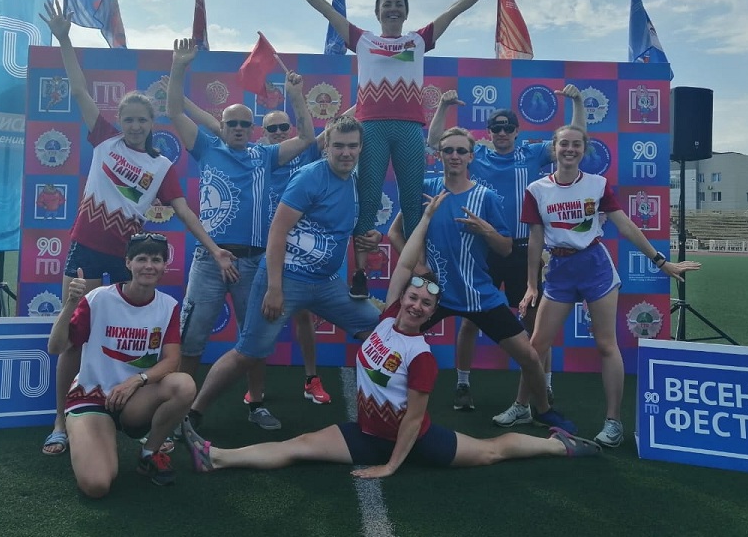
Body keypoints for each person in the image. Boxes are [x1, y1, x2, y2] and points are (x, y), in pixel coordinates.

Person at [180, 193, 600, 477]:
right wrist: (427, 218)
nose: (416, 306)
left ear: (433, 313)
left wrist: (391, 466)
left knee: (492, 451)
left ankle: (558, 445)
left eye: (425, 305)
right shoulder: (385, 319)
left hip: (417, 443)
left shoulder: (421, 356)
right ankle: (215, 456)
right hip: (366, 435)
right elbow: (405, 263)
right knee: (299, 444)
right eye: (412, 298)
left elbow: (414, 421)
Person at [38, 1, 236, 457]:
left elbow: (185, 212)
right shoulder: (103, 138)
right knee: (73, 339)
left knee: (124, 338)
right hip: (86, 251)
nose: (133, 126)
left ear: (152, 124)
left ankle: (123, 407)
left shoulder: (161, 166)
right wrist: (65, 38)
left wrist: (215, 249)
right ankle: (60, 421)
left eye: (141, 120)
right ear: (120, 121)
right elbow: (79, 88)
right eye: (128, 119)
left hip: (125, 258)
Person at [283, 0, 503, 301]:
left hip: (409, 128)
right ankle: (360, 273)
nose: (393, 8)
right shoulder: (363, 40)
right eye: (387, 4)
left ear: (406, 11)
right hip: (371, 126)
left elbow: (452, 12)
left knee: (413, 201)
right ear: (378, 12)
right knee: (368, 199)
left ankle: (419, 271)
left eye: (398, 4)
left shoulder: (418, 40)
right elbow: (328, 11)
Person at [506, 124, 701, 447]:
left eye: (576, 144)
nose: (570, 149)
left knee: (606, 345)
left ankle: (613, 422)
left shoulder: (597, 184)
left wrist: (660, 261)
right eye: (564, 144)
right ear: (554, 148)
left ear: (584, 150)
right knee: (536, 345)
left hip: (595, 266)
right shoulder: (537, 189)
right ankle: (522, 406)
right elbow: (536, 238)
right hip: (559, 270)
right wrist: (531, 285)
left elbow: (625, 225)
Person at [184, 116, 383, 431]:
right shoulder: (310, 176)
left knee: (380, 331)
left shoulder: (356, 181)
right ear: (327, 147)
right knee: (248, 353)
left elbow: (351, 227)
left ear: (360, 148)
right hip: (287, 279)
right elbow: (277, 231)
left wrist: (372, 237)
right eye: (339, 146)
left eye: (352, 146)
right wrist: (274, 288)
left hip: (326, 283)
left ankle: (384, 405)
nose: (346, 152)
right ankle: (193, 413)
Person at [167, 38, 316, 429]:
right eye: (230, 123)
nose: (236, 128)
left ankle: (256, 402)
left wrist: (296, 97)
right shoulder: (206, 148)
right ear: (222, 127)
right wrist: (179, 67)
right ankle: (179, 409)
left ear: (253, 129)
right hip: (210, 259)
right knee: (192, 340)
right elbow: (173, 110)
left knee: (254, 340)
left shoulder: (265, 155)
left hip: (253, 263)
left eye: (243, 124)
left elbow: (306, 138)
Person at [389, 127, 575, 432]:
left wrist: (486, 231)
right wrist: (420, 267)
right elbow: (395, 233)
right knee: (391, 342)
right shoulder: (426, 190)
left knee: (529, 357)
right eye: (448, 150)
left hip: (478, 295)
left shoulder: (485, 197)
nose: (454, 156)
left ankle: (543, 410)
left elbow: (505, 248)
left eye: (461, 151)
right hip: (434, 293)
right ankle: (385, 405)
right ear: (439, 155)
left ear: (471, 157)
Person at [428, 87, 585, 412]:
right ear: (488, 133)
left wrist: (578, 103)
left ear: (517, 131)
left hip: (524, 251)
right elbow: (434, 143)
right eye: (496, 129)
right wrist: (442, 106)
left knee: (534, 324)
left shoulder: (532, 154)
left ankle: (545, 385)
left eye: (507, 128)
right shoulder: (477, 157)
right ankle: (462, 383)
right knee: (470, 320)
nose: (502, 134)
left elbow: (573, 139)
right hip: (485, 249)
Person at [47, 233, 197, 496]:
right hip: (92, 396)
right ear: (128, 263)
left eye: (156, 260)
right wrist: (71, 303)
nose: (149, 266)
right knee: (96, 485)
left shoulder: (168, 306)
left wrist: (136, 381)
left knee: (183, 385)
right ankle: (88, 434)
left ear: (164, 266)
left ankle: (149, 453)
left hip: (133, 399)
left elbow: (172, 360)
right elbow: (56, 348)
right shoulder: (98, 298)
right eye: (141, 259)